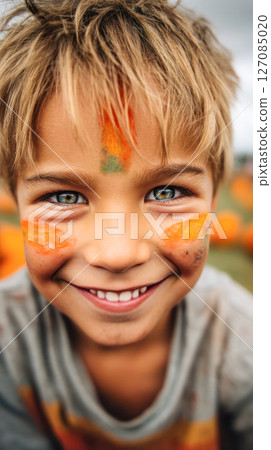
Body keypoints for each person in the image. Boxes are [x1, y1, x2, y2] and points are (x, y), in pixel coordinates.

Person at [0, 1, 252, 449]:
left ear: (214, 199)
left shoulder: (242, 341)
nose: (117, 254)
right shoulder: (8, 337)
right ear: (13, 202)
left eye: (167, 193)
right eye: (63, 197)